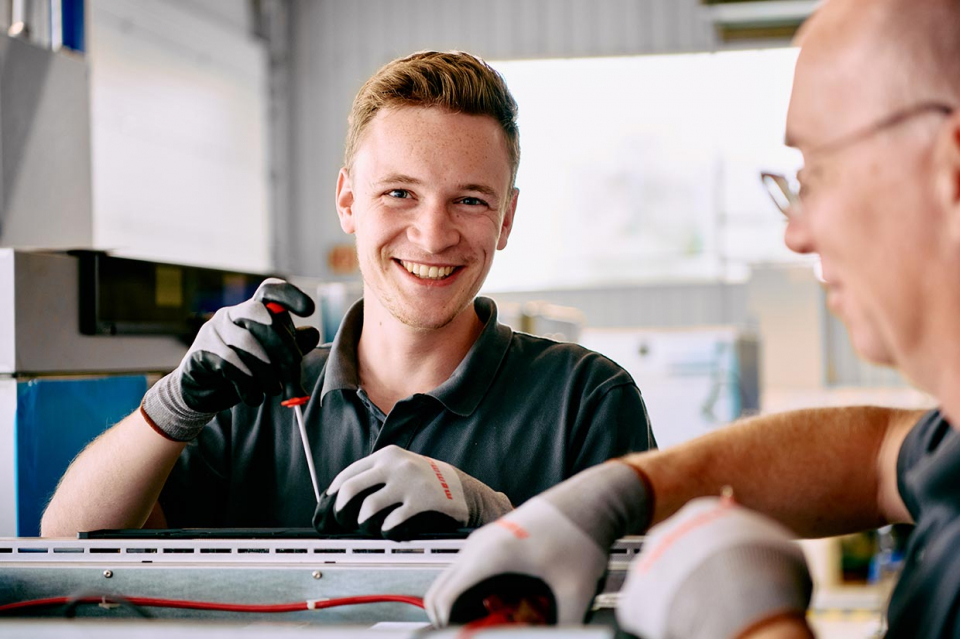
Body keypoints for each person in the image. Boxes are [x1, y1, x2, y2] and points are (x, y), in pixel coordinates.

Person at [425, 0, 960, 636]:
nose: (797, 233)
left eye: (818, 172)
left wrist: (759, 628)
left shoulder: (586, 393)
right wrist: (616, 496)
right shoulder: (950, 444)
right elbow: (875, 454)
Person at [40, 51, 656, 540]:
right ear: (347, 201)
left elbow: (644, 596)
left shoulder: (588, 400)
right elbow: (67, 540)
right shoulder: (253, 400)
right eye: (399, 193)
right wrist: (174, 405)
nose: (433, 234)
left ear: (507, 218)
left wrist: (494, 516)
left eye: (470, 199)